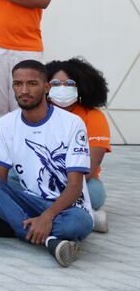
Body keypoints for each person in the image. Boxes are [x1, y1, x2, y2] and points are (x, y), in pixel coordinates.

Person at [0, 60, 93, 267]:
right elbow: (1, 178)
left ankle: (17, 225)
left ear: (46, 87)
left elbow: (75, 186)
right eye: (18, 84)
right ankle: (50, 240)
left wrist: (47, 216)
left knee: (79, 224)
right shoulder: (7, 122)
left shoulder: (72, 123)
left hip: (67, 208)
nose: (24, 90)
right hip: (30, 201)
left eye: (32, 83)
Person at [45, 57, 110, 232]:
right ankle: (86, 215)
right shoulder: (38, 113)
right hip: (42, 179)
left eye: (70, 83)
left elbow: (89, 168)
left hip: (81, 182)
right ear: (45, 87)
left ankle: (40, 210)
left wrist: (65, 189)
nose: (62, 88)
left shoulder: (94, 117)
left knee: (96, 195)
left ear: (81, 86)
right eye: (56, 83)